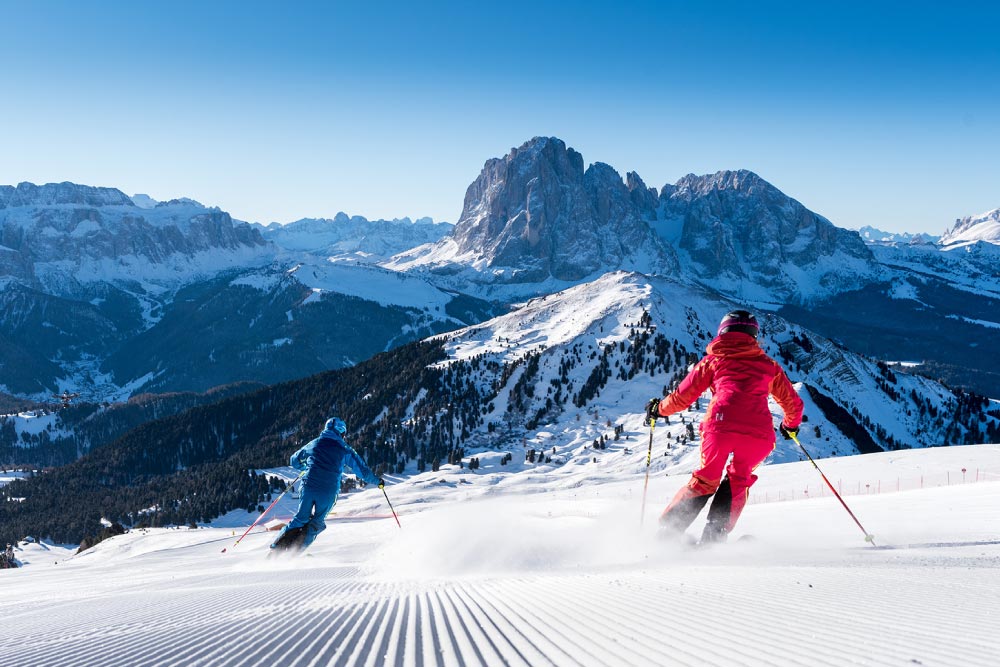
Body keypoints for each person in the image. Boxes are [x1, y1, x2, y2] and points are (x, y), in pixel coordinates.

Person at [645, 310, 803, 544]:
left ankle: (669, 532)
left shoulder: (713, 361)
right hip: (758, 435)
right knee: (738, 479)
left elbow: (681, 398)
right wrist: (790, 426)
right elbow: (793, 403)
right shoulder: (769, 366)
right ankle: (715, 536)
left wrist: (658, 409)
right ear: (754, 336)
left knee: (706, 478)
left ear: (722, 333)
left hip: (719, 428)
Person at [271, 417, 383, 552]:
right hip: (328, 492)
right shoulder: (345, 449)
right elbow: (363, 471)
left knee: (301, 518)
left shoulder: (314, 443)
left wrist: (306, 466)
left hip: (309, 486)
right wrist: (378, 482)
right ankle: (295, 552)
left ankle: (276, 548)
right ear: (342, 432)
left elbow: (294, 460)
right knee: (317, 522)